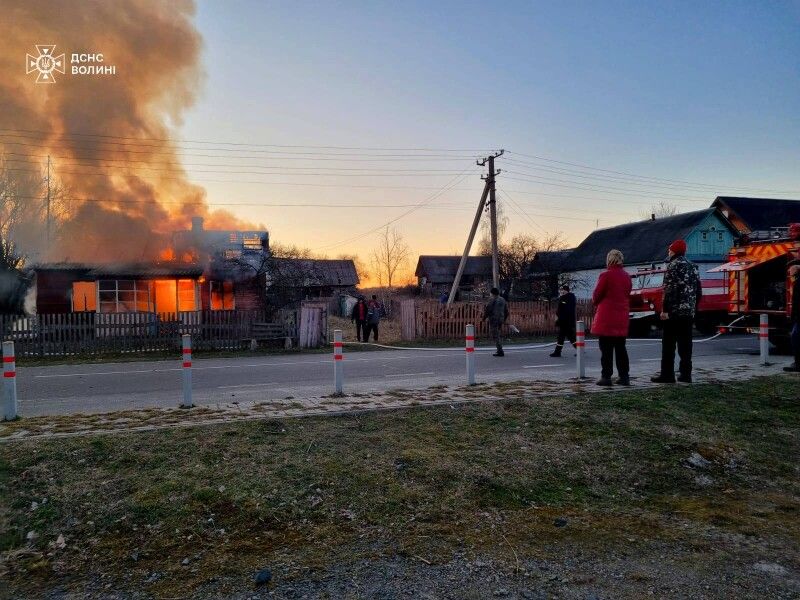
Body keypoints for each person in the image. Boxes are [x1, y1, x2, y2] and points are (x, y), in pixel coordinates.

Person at [651, 240, 702, 383]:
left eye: (670, 250)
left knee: (668, 344)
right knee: (686, 345)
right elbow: (699, 291)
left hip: (673, 313)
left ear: (674, 251)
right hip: (688, 313)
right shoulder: (693, 267)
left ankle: (667, 374)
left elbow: (669, 290)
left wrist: (665, 310)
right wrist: (693, 308)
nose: (668, 252)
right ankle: (686, 374)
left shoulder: (673, 266)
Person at [591, 249, 632, 386]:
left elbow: (597, 296)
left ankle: (606, 376)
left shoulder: (605, 275)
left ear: (609, 259)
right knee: (621, 348)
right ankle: (624, 376)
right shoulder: (627, 276)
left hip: (607, 317)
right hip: (621, 316)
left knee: (606, 349)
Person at [550, 284, 577, 357]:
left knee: (563, 337)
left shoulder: (568, 298)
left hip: (566, 321)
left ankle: (557, 352)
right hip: (564, 321)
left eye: (563, 290)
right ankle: (558, 352)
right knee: (568, 337)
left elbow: (566, 309)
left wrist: (560, 316)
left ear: (566, 290)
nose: (562, 291)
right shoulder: (565, 298)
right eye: (561, 290)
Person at [483, 287, 509, 357]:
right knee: (498, 334)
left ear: (492, 293)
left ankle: (500, 351)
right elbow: (506, 311)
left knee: (496, 335)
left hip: (494, 319)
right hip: (500, 319)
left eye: (490, 293)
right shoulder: (503, 300)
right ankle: (499, 350)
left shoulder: (492, 300)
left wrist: (483, 318)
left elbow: (488, 310)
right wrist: (504, 319)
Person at [784, 262, 800, 372]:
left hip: (799, 318)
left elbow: (797, 303)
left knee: (796, 339)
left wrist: (793, 317)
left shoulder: (798, 283)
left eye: (790, 271)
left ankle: (797, 364)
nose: (789, 274)